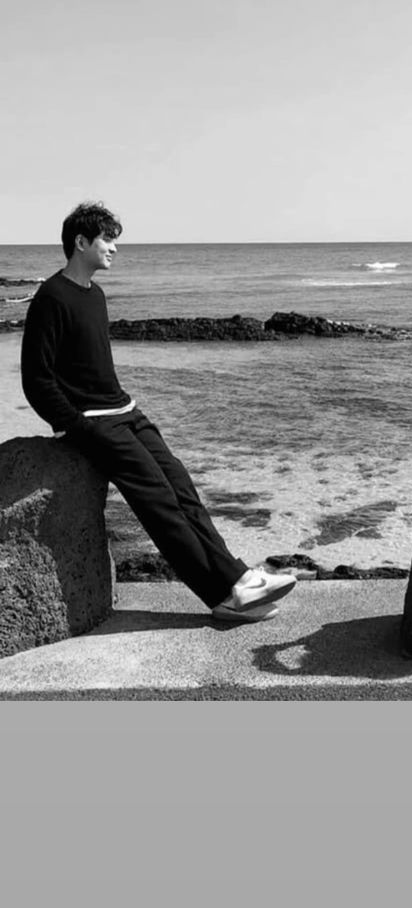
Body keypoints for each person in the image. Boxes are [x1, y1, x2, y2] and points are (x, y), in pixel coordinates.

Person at [20, 201, 296, 623]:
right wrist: (74, 427)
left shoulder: (95, 295)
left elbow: (93, 367)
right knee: (158, 502)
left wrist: (122, 404)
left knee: (181, 486)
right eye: (107, 240)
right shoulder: (51, 298)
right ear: (81, 242)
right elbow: (36, 379)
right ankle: (221, 596)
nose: (114, 248)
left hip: (124, 409)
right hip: (94, 422)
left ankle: (239, 578)